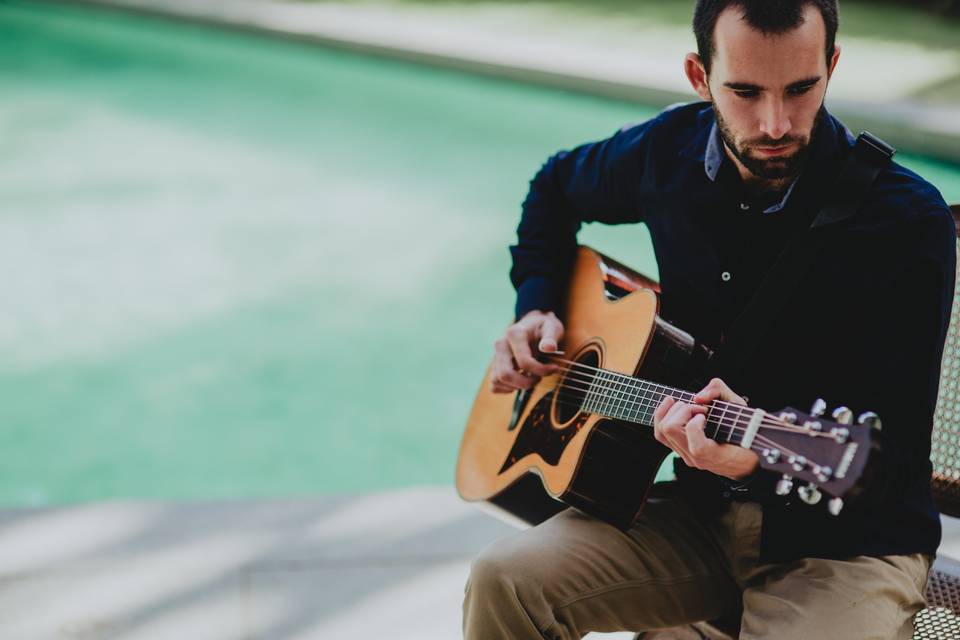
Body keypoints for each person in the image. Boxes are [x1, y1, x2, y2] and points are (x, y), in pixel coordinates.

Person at [462, 1, 957, 638]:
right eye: (745, 92)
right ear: (700, 77)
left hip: (847, 545)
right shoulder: (664, 152)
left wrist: (754, 461)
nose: (775, 123)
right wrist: (536, 307)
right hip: (696, 521)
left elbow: (890, 464)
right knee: (506, 581)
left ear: (831, 66)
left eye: (800, 89)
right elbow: (553, 189)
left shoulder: (904, 221)